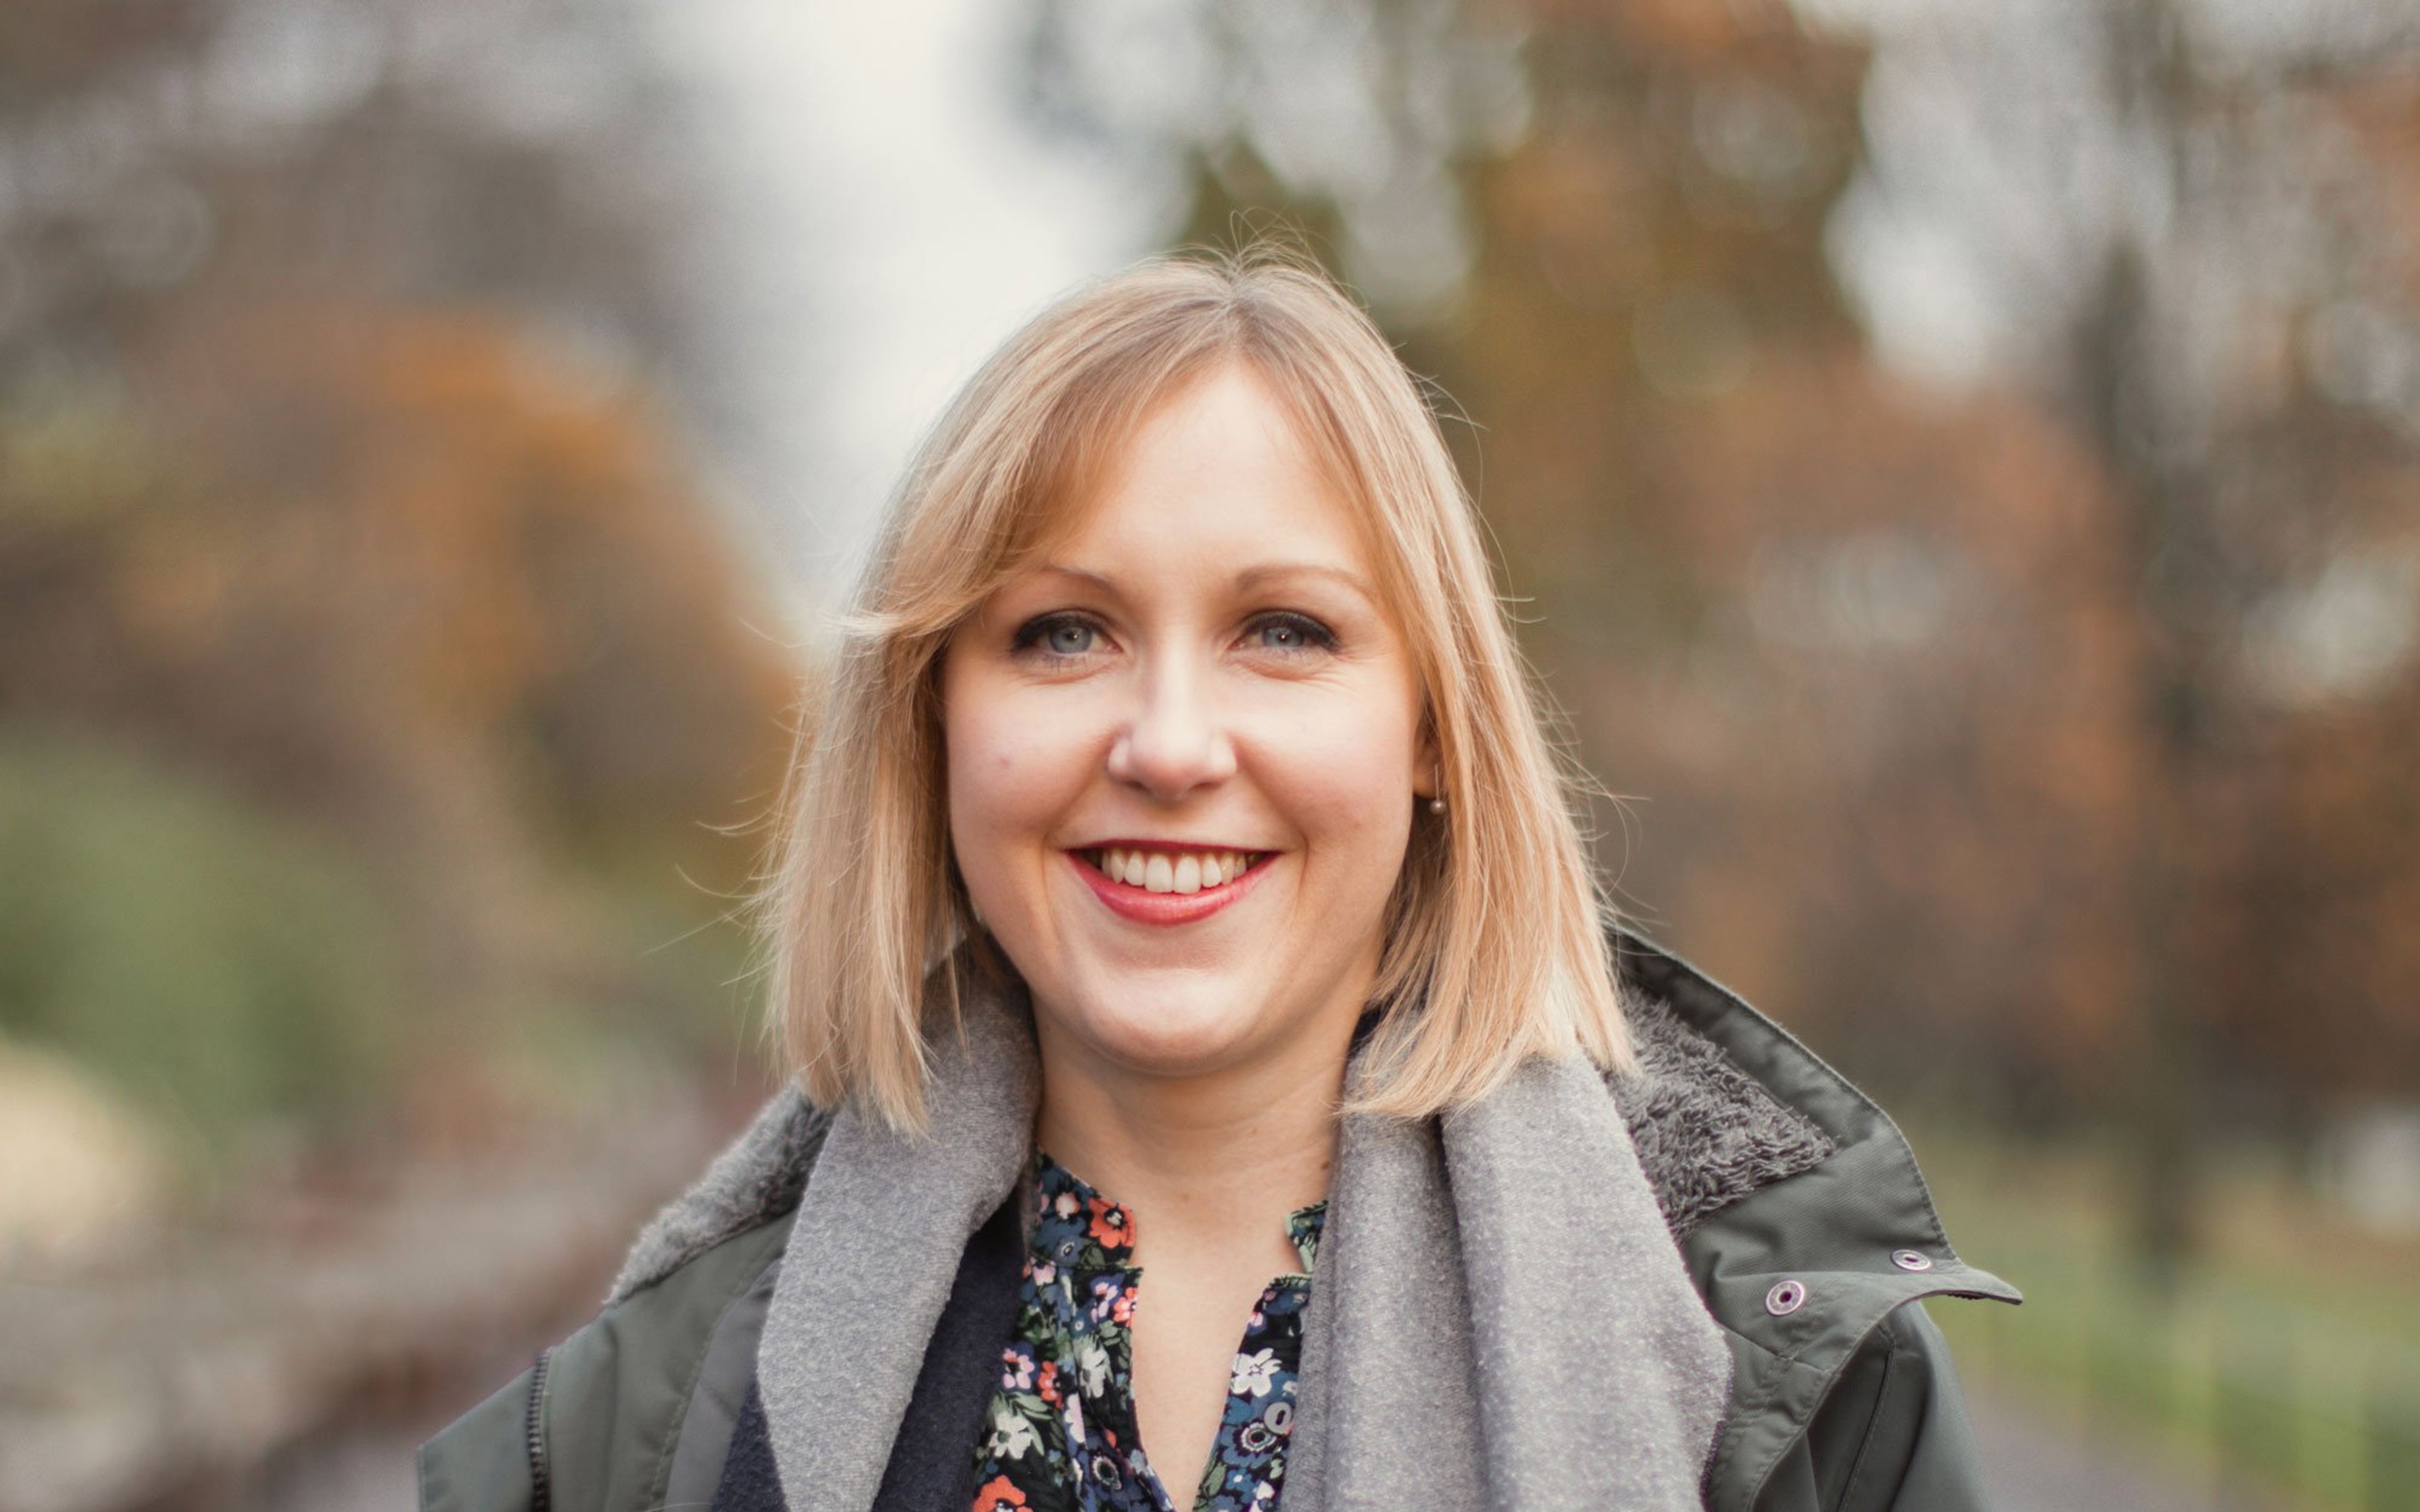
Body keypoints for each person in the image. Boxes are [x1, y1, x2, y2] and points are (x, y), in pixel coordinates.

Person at [417, 250, 2017, 1512]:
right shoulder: (641, 1428)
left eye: (1284, 631)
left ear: (1433, 730)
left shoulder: (1805, 1407)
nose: (1172, 745)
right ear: (933, 726)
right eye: (1064, 632)